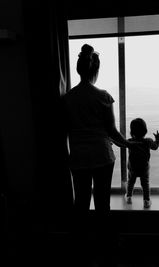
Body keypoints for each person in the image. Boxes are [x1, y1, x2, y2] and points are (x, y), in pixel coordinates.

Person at [63, 44, 134, 213]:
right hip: (102, 155)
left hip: (78, 156)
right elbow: (112, 131)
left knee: (81, 202)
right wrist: (128, 144)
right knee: (103, 203)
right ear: (96, 70)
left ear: (78, 69)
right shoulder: (103, 96)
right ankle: (105, 238)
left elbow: (64, 130)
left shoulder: (67, 98)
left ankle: (81, 238)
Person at [125, 118, 159, 208]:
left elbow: (121, 143)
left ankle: (129, 197)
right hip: (144, 168)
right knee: (145, 184)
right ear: (145, 131)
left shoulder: (130, 141)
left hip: (132, 168)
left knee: (131, 182)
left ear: (131, 131)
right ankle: (146, 201)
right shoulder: (148, 141)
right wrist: (157, 139)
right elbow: (155, 147)